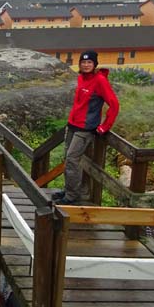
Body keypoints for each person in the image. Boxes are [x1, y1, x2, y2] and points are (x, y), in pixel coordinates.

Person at [54, 50, 119, 206]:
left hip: (85, 128)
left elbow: (114, 105)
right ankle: (69, 189)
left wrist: (105, 127)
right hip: (73, 125)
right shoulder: (81, 78)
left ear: (95, 64)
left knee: (72, 158)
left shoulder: (100, 80)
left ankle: (72, 195)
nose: (86, 65)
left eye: (89, 62)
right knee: (68, 159)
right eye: (83, 62)